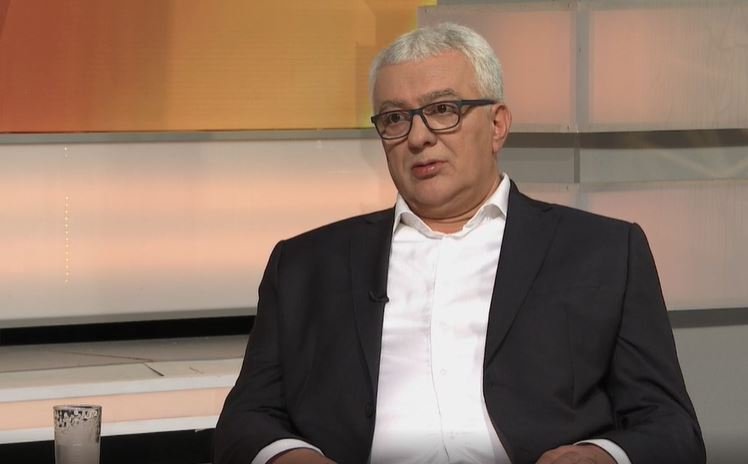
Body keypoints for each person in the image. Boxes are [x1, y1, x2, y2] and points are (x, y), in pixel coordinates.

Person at [214, 23, 705, 464]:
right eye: (394, 118)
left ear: (497, 125)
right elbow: (246, 418)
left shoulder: (604, 251)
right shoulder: (304, 264)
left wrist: (598, 456)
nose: (418, 137)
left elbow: (671, 428)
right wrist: (289, 456)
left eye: (443, 110)